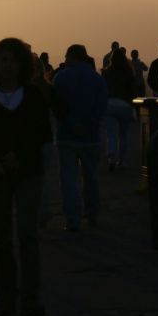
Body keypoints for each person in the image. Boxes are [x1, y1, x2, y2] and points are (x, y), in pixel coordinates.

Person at [0, 38, 51, 316]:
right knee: (2, 237)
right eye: (3, 60)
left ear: (22, 64)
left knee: (27, 234)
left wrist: (19, 155)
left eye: (13, 60)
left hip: (29, 173)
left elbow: (42, 133)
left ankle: (31, 297)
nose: (8, 65)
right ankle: (5, 296)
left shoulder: (32, 96)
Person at [51, 44, 108, 231]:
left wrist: (70, 123)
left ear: (70, 57)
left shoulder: (61, 78)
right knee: (91, 177)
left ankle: (72, 218)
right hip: (90, 136)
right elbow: (101, 107)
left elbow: (56, 106)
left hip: (66, 136)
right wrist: (87, 124)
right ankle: (92, 213)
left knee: (69, 179)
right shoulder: (97, 79)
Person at [101, 50, 136, 171]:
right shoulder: (128, 72)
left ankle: (111, 158)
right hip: (124, 105)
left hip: (109, 104)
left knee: (111, 134)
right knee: (123, 135)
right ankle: (122, 160)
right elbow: (132, 91)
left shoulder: (106, 73)